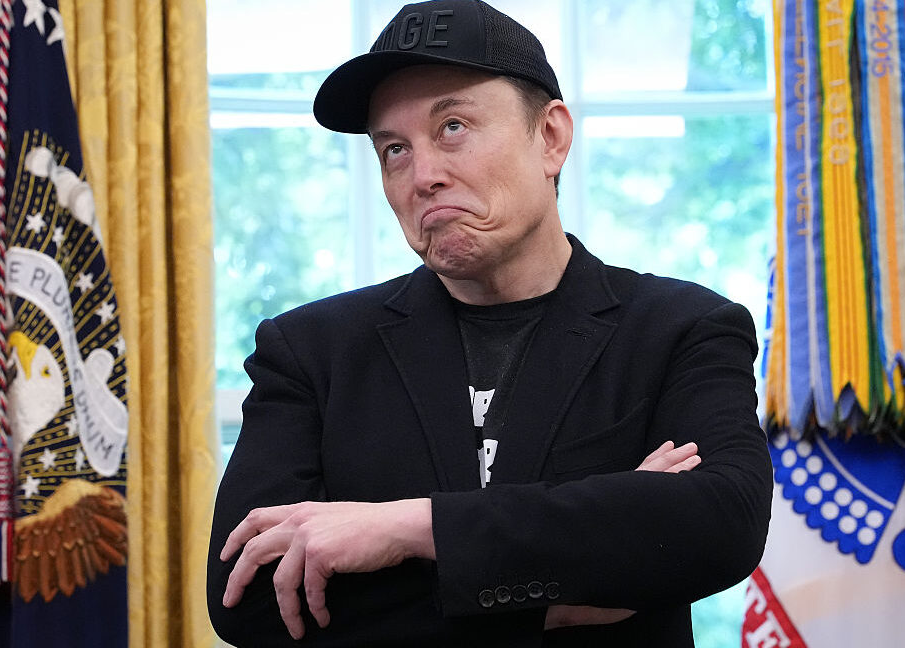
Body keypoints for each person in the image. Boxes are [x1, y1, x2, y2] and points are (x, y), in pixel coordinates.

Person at [205, 1, 773, 646]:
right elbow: (246, 598)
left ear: (550, 137)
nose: (423, 176)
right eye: (394, 149)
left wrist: (405, 527)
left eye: (453, 126)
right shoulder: (310, 351)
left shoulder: (682, 328)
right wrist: (552, 590)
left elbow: (720, 523)